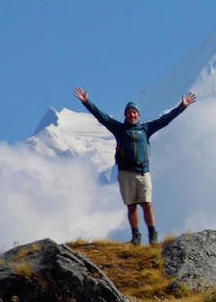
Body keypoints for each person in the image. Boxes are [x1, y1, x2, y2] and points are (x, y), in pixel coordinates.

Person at [73, 87, 196, 245]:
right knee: (131, 207)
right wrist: (87, 102)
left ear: (138, 115)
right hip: (126, 174)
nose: (132, 114)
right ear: (125, 115)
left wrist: (182, 107)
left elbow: (165, 120)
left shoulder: (146, 129)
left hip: (143, 173)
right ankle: (136, 237)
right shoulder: (119, 129)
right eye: (129, 112)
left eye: (134, 112)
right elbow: (102, 117)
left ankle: (153, 236)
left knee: (147, 204)